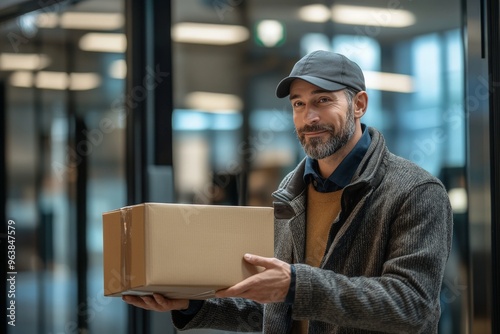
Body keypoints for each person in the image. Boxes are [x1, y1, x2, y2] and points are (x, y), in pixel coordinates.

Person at [122, 50, 453, 333]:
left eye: (323, 100)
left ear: (359, 105)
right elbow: (278, 309)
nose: (309, 117)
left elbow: (413, 306)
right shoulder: (290, 193)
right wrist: (194, 304)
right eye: (299, 104)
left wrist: (296, 284)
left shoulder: (415, 191)